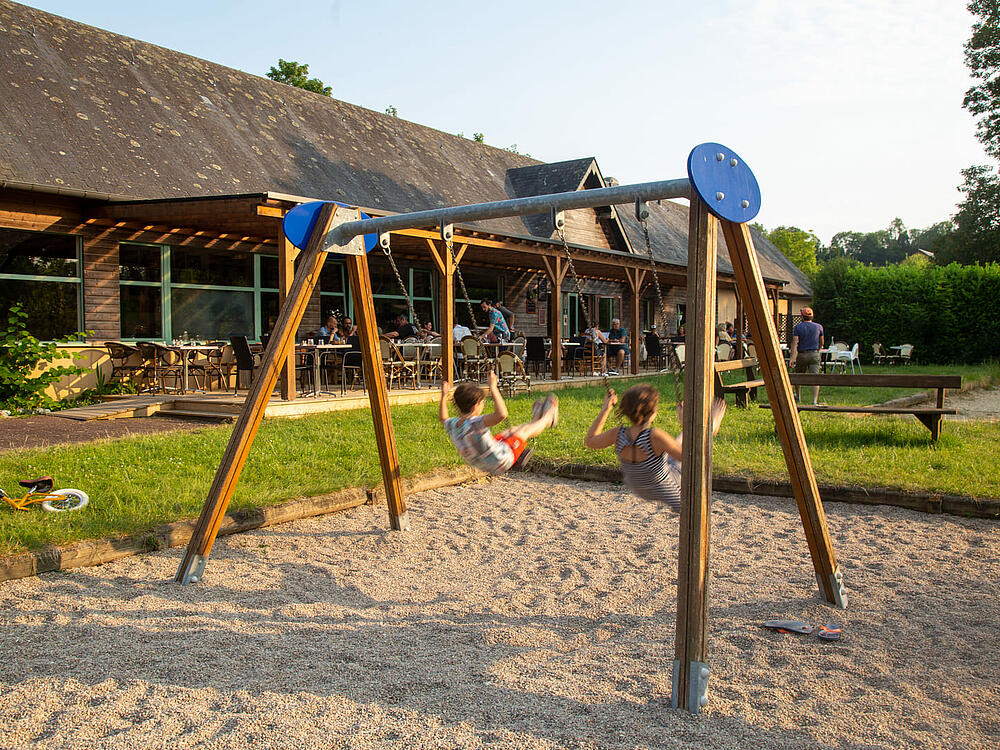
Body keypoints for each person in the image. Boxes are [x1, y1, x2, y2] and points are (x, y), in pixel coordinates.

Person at [584, 384, 727, 511]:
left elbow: (590, 441)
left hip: (639, 487)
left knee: (672, 450)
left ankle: (694, 430)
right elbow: (691, 458)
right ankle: (710, 428)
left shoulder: (618, 434)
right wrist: (687, 424)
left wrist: (605, 409)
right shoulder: (654, 436)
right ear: (653, 413)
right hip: (666, 488)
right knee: (691, 503)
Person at [440, 371, 558, 475]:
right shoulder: (475, 423)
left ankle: (536, 417)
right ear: (475, 405)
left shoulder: (453, 424)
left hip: (483, 461)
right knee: (523, 432)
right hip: (501, 460)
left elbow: (443, 417)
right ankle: (548, 417)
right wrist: (493, 387)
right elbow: (502, 414)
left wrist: (443, 396)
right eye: (483, 403)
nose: (483, 405)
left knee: (512, 431)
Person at [789, 306, 824, 405]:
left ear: (802, 317)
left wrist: (792, 358)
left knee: (798, 377)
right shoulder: (819, 327)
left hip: (802, 355)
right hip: (814, 354)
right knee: (815, 377)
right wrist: (819, 349)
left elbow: (795, 342)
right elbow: (822, 341)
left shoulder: (798, 327)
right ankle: (814, 401)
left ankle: (798, 396)